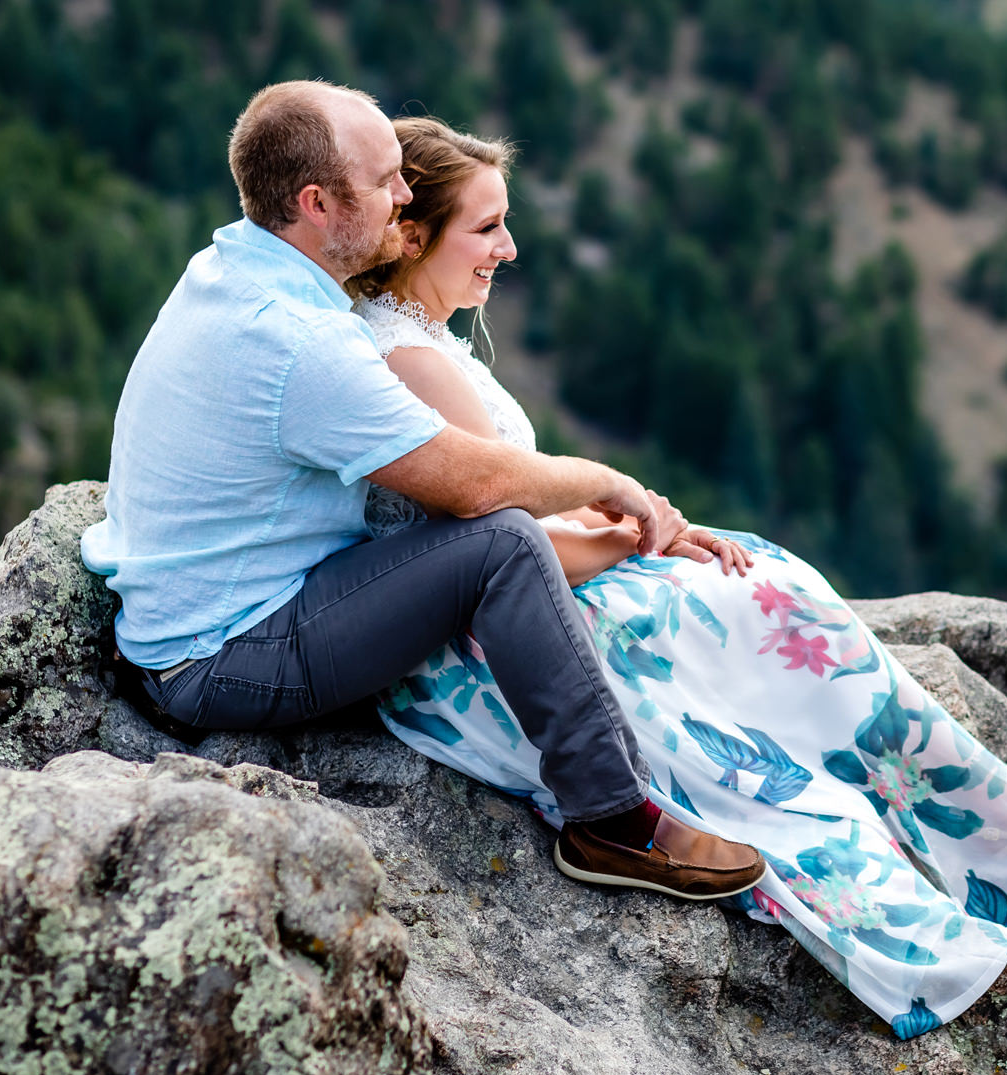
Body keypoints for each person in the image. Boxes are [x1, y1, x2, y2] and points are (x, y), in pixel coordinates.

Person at [350, 115, 1007, 1038]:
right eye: (486, 228)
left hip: (534, 587)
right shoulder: (406, 359)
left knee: (772, 588)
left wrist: (640, 528)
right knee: (750, 679)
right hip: (499, 635)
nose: (509, 246)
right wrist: (643, 541)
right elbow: (510, 546)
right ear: (412, 236)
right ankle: (971, 867)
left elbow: (524, 514)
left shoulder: (421, 339)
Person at [80, 80, 765, 903]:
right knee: (501, 545)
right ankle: (611, 820)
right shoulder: (302, 343)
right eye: (385, 183)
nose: (405, 197)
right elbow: (476, 484)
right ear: (317, 203)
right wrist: (613, 485)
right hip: (221, 655)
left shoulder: (232, 269)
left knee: (498, 539)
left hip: (181, 616)